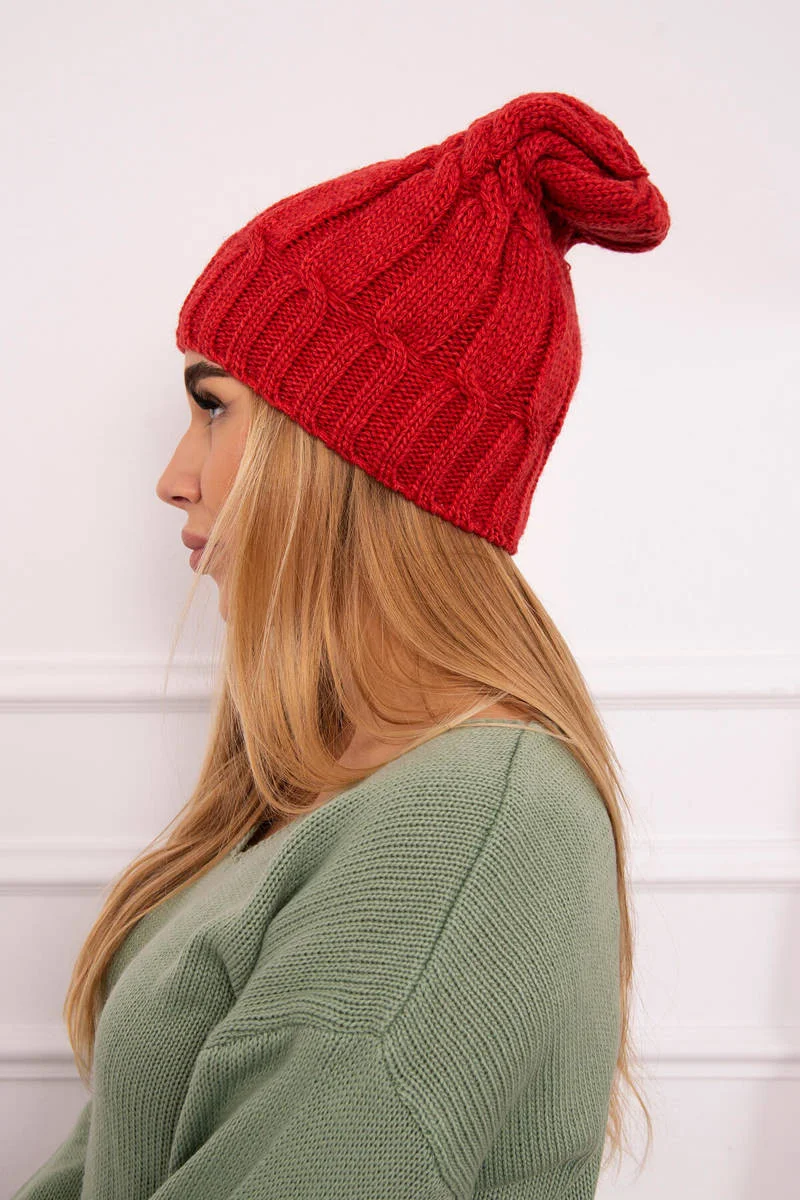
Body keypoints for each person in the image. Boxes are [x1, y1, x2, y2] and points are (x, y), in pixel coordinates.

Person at [14, 90, 669, 1199]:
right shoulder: (333, 782)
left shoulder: (469, 826)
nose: (173, 476)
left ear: (341, 452)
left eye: (213, 407)